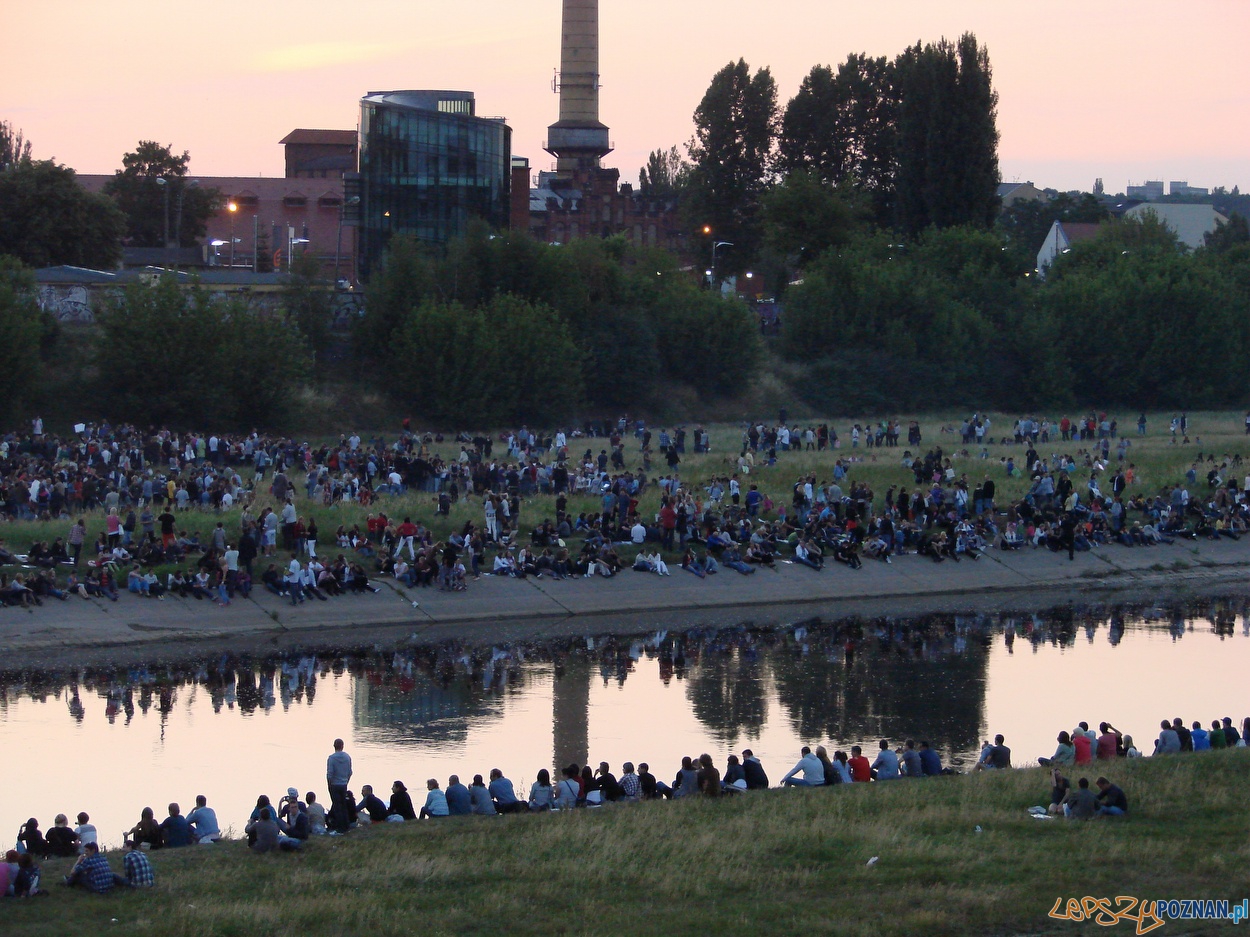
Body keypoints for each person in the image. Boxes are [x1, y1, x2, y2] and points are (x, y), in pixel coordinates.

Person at [326, 737, 352, 835]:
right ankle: (346, 826)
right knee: (343, 806)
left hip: (334, 785)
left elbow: (330, 774)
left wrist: (329, 785)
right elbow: (350, 772)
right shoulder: (347, 757)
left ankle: (339, 828)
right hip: (344, 784)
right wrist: (346, 781)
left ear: (334, 746)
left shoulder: (331, 758)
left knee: (337, 807)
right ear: (343, 746)